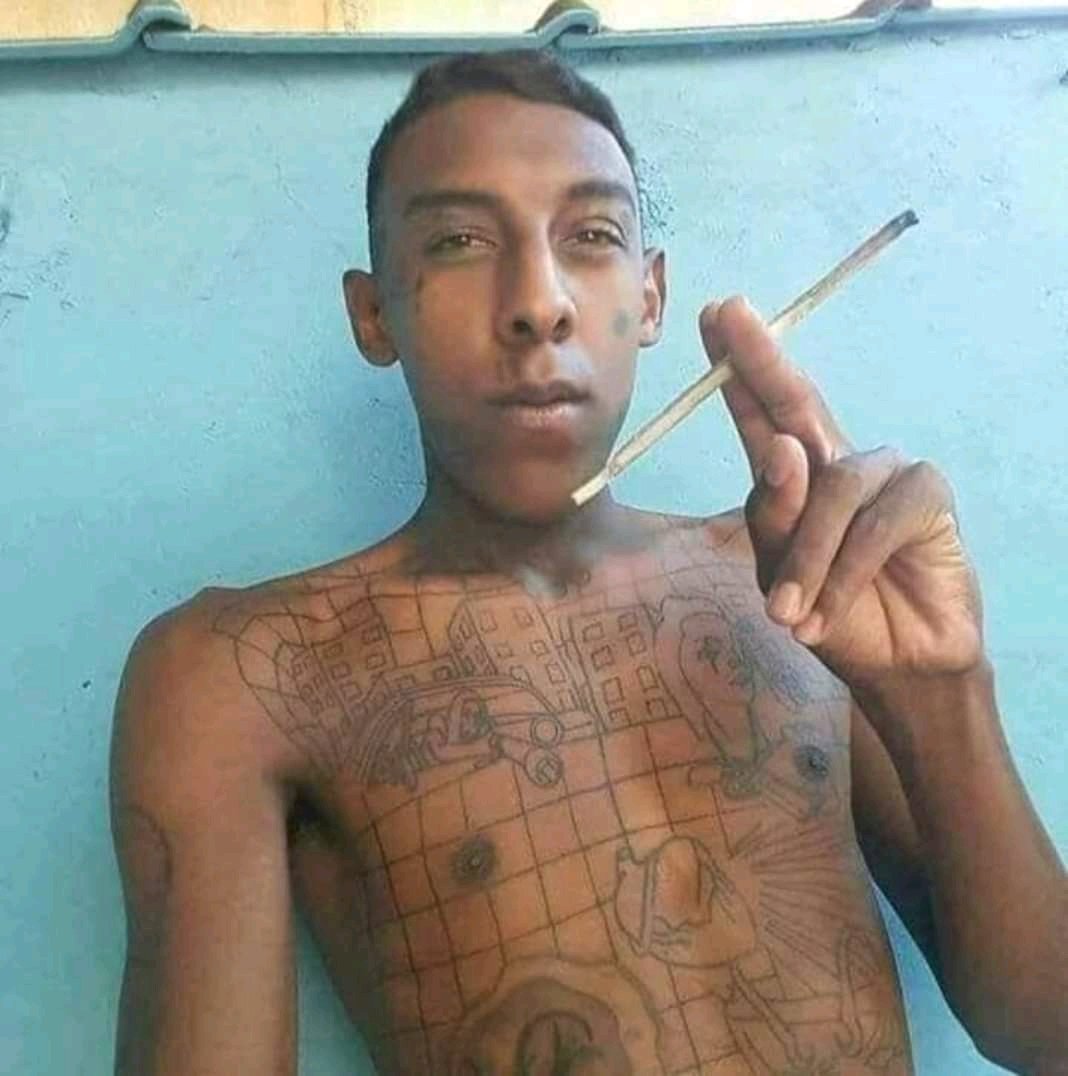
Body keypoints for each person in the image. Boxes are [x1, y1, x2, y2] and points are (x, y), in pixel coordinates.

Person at [108, 49, 1067, 1076]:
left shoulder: (803, 583)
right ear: (374, 313)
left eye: (593, 237)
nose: (539, 302)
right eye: (460, 240)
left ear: (650, 299)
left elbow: (1045, 1033)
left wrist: (943, 691)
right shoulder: (244, 673)